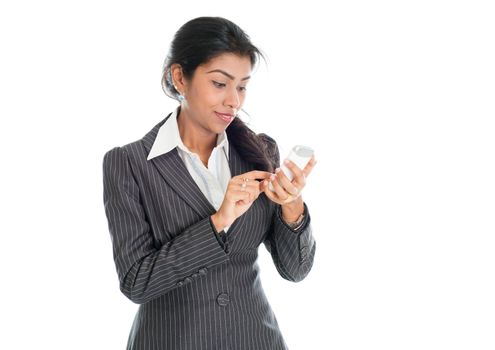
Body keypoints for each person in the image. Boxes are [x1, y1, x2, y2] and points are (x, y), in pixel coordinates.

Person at [102, 16, 317, 350]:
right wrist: (219, 221)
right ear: (179, 78)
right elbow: (137, 282)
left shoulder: (260, 152)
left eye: (242, 86)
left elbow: (295, 271)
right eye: (220, 83)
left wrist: (292, 208)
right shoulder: (128, 164)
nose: (234, 100)